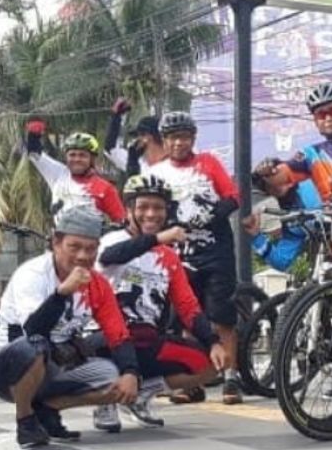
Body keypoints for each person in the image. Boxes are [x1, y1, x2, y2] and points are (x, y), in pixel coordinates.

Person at [0, 206, 141, 449]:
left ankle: (48, 409)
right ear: (56, 243)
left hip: (53, 365)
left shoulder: (96, 283)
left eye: (90, 249)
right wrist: (63, 292)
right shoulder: (33, 273)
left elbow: (117, 333)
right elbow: (34, 330)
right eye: (74, 247)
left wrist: (131, 373)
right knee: (34, 346)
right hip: (8, 367)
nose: (82, 257)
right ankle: (25, 420)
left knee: (113, 379)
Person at [93, 175, 230, 430]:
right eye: (143, 207)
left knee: (213, 364)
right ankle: (107, 398)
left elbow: (188, 306)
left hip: (147, 340)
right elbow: (111, 256)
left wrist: (213, 343)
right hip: (107, 340)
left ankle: (140, 394)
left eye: (158, 208)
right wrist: (158, 239)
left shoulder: (168, 257)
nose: (151, 214)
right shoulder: (112, 240)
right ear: (129, 209)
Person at [149, 111, 244, 405]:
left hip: (215, 251)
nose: (178, 143)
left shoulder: (208, 163)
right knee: (189, 316)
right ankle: (194, 381)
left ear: (192, 139)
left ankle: (231, 378)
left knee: (222, 317)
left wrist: (210, 216)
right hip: (180, 255)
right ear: (164, 141)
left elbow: (233, 197)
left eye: (184, 137)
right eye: (173, 138)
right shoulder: (158, 171)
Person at [24, 121, 126, 223]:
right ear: (66, 157)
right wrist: (33, 136)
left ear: (92, 159)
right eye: (72, 155)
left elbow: (120, 221)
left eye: (82, 155)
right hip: (59, 236)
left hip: (90, 237)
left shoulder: (106, 188)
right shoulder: (58, 174)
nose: (77, 159)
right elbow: (34, 154)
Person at [104, 99, 165, 176]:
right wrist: (116, 117)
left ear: (147, 137)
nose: (135, 140)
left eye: (137, 136)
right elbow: (110, 149)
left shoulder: (174, 166)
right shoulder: (138, 162)